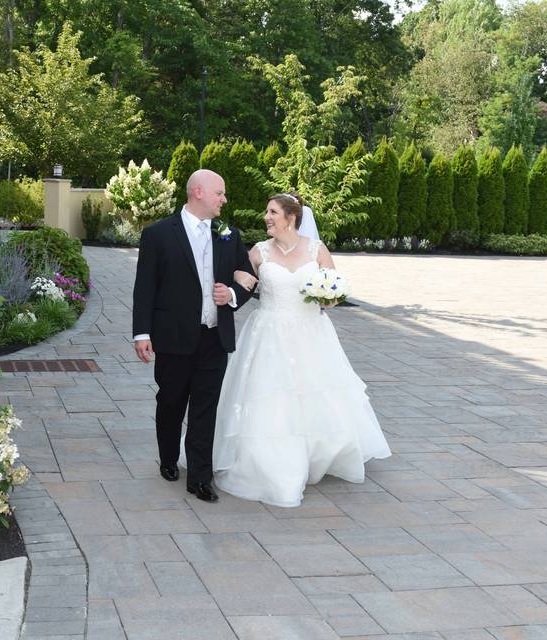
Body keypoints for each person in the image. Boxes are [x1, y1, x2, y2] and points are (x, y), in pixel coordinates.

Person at [215, 192, 391, 507]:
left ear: (290, 217)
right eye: (266, 211)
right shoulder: (258, 252)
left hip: (311, 333)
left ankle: (318, 454)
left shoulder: (316, 250)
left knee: (316, 393)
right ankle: (270, 460)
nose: (266, 217)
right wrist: (235, 280)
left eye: (272, 212)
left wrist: (329, 296)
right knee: (271, 396)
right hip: (268, 333)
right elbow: (239, 280)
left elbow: (335, 289)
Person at [132, 169, 255, 503]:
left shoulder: (229, 234)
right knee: (171, 401)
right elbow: (145, 287)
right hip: (172, 336)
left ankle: (200, 477)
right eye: (220, 193)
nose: (224, 199)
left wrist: (229, 295)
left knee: (205, 408)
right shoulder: (158, 234)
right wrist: (141, 333)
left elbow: (248, 278)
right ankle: (169, 458)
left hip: (215, 337)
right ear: (198, 192)